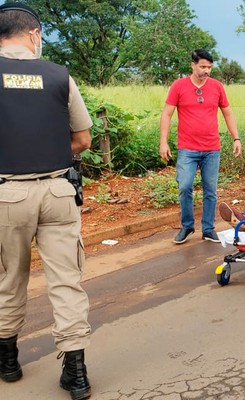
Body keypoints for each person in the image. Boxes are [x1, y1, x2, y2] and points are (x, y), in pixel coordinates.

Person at [0, 3, 93, 399]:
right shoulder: (59, 75)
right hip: (58, 191)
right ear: (34, 34)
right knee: (67, 282)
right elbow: (83, 139)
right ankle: (76, 374)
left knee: (9, 277)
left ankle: (7, 360)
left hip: (7, 194)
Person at [160, 49, 242, 244]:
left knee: (210, 190)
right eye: (203, 66)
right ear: (193, 65)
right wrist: (163, 142)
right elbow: (167, 114)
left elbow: (227, 113)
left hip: (212, 148)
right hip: (187, 148)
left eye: (210, 67)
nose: (207, 71)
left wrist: (236, 138)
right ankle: (187, 226)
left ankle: (208, 229)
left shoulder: (217, 87)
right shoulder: (179, 86)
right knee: (185, 186)